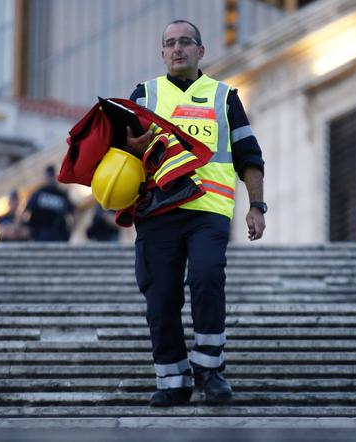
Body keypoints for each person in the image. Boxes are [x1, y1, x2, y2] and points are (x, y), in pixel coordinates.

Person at [123, 19, 266, 407]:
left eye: (186, 42)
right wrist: (132, 150)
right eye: (170, 43)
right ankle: (172, 379)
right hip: (156, 211)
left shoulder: (224, 97)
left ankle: (210, 370)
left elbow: (249, 157)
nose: (177, 49)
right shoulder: (144, 95)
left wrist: (257, 205)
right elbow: (121, 156)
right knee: (161, 295)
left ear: (201, 51)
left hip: (209, 209)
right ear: (162, 52)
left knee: (206, 278)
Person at [24, 165, 75, 241]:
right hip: (44, 233)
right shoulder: (59, 195)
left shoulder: (40, 194)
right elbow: (26, 213)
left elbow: (72, 213)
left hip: (54, 233)